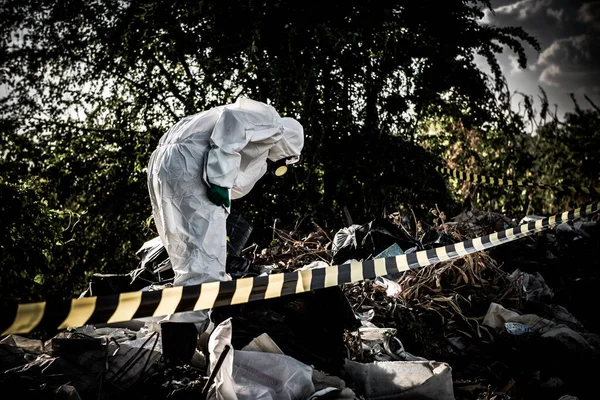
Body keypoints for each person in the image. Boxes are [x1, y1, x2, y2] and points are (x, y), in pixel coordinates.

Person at [147, 97, 304, 332]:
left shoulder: (242, 131)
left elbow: (240, 179)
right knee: (204, 258)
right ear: (287, 145)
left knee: (184, 252)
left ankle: (183, 322)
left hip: (167, 163)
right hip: (191, 165)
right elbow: (234, 121)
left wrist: (224, 181)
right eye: (282, 160)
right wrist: (220, 178)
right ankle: (190, 329)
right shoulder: (271, 122)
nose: (275, 164)